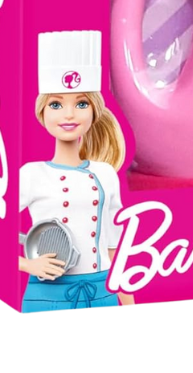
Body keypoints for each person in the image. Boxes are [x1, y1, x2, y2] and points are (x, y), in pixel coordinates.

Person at [19, 30, 134, 311]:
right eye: (56, 104)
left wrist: (130, 303)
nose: (69, 114)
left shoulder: (105, 174)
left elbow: (113, 247)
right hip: (47, 292)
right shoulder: (32, 173)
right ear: (42, 113)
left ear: (94, 112)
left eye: (81, 104)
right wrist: (28, 264)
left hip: (101, 291)